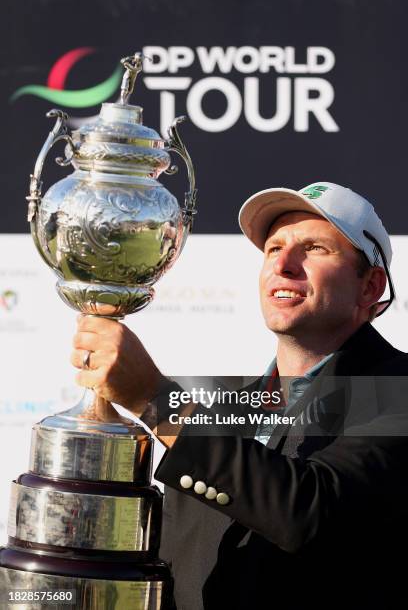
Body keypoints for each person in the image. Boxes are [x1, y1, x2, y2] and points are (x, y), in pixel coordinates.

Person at [72, 182, 408, 610]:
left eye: (315, 248)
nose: (284, 264)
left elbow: (306, 508)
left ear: (370, 287)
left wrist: (154, 400)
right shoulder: (223, 409)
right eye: (273, 248)